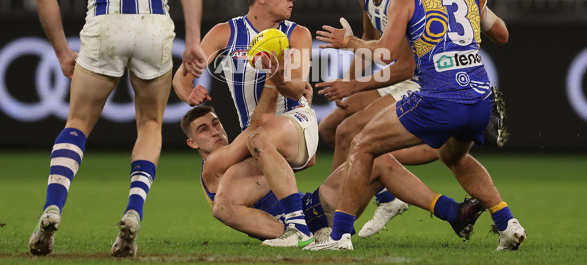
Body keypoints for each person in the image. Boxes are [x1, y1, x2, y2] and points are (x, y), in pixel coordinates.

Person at [28, 0, 206, 257]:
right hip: (153, 26)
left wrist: (61, 51)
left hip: (104, 25)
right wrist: (193, 40)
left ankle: (52, 208)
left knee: (77, 123)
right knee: (150, 123)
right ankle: (133, 213)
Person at [310, 0, 526, 251]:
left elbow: (384, 54)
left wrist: (349, 42)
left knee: (363, 143)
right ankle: (507, 223)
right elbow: (503, 34)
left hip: (438, 99)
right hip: (481, 100)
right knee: (456, 158)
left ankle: (340, 236)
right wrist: (482, 4)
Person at [181, 87, 486, 244]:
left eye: (216, 123)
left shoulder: (247, 153)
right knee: (220, 207)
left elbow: (308, 159)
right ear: (193, 144)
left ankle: (453, 213)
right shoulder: (214, 165)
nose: (215, 131)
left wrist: (302, 111)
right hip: (298, 226)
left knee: (376, 157)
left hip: (315, 206)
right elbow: (256, 127)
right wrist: (275, 79)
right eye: (203, 130)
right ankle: (448, 141)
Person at [172, 0, 318, 247]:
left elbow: (299, 86)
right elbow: (181, 76)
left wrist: (278, 79)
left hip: (293, 123)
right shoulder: (226, 33)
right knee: (224, 205)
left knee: (259, 137)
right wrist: (189, 92)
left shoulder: (298, 34)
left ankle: (297, 227)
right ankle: (300, 230)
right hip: (255, 137)